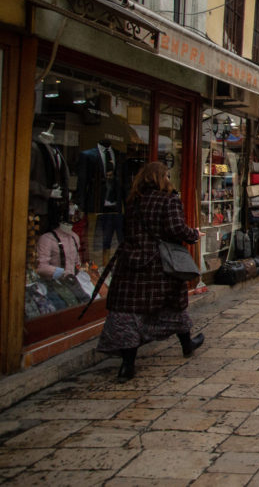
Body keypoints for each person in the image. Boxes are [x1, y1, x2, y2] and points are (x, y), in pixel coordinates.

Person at [96, 161, 204, 382]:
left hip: (131, 261)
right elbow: (175, 229)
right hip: (158, 263)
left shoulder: (133, 201)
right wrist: (193, 233)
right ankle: (187, 344)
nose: (169, 180)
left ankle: (127, 365)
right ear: (161, 178)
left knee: (129, 311)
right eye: (166, 176)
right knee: (173, 304)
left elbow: (127, 230)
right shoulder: (168, 200)